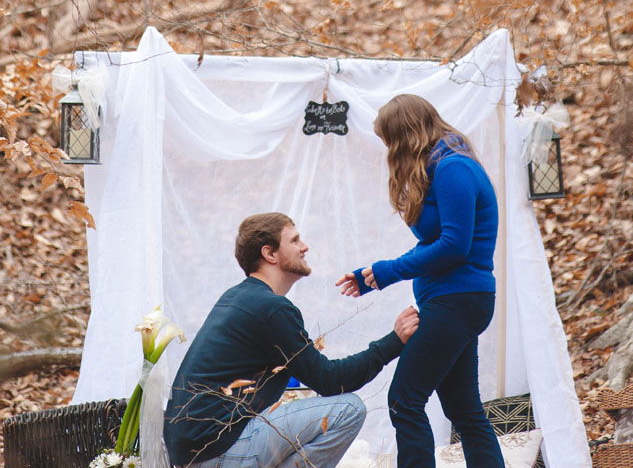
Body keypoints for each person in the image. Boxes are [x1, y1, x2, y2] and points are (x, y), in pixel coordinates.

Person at [164, 212, 419, 468]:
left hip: (196, 453)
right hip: (218, 452)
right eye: (295, 240)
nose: (305, 246)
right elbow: (331, 381)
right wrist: (394, 341)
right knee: (349, 409)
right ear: (270, 254)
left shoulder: (240, 298)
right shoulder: (270, 308)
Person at [337, 94, 505, 468]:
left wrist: (388, 272)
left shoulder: (454, 168)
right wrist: (373, 276)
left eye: (388, 142)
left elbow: (454, 246)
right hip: (451, 301)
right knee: (464, 410)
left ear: (405, 136)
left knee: (404, 399)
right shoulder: (440, 166)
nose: (387, 151)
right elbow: (433, 243)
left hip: (458, 301)